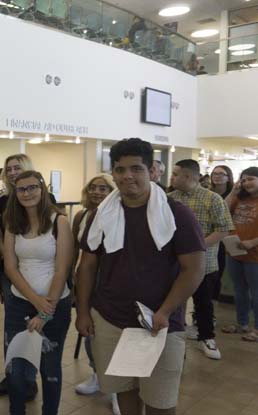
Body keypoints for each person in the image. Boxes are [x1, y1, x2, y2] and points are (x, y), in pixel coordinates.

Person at [76, 138, 205, 415]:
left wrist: (165, 311)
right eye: (120, 170)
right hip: (110, 320)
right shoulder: (102, 214)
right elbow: (87, 266)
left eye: (136, 169)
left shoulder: (176, 215)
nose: (127, 176)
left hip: (159, 325)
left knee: (160, 403)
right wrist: (83, 312)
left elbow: (194, 269)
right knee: (125, 395)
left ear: (152, 171)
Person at [3, 170, 73, 415]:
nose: (27, 193)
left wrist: (46, 311)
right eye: (22, 189)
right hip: (20, 303)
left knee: (50, 368)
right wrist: (36, 301)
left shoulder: (59, 221)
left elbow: (62, 269)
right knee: (16, 365)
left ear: (42, 189)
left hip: (56, 303)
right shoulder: (12, 222)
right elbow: (10, 267)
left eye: (33, 187)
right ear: (16, 193)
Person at [169, 159, 233, 360]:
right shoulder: (168, 198)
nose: (171, 178)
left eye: (175, 174)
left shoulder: (212, 199)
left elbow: (223, 229)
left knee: (203, 303)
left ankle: (207, 337)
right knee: (173, 302)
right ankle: (174, 340)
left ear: (187, 176)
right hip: (173, 264)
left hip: (204, 264)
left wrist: (196, 248)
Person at [71, 174, 120, 415]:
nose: (97, 192)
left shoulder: (118, 215)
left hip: (112, 282)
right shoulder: (81, 216)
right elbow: (73, 250)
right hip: (86, 279)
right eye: (93, 188)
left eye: (103, 188)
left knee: (112, 332)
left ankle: (117, 387)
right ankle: (97, 374)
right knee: (89, 329)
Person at [0, 154, 38, 399]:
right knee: (11, 327)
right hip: (11, 273)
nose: (11, 172)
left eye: (16, 168)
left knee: (32, 327)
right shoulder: (2, 202)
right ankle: (12, 375)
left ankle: (29, 378)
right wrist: (9, 260)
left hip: (38, 274)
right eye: (8, 168)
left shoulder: (45, 198)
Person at [222, 167, 258, 341]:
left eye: (251, 179)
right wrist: (234, 191)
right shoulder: (239, 197)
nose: (246, 183)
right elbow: (223, 209)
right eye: (243, 180)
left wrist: (253, 242)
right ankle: (241, 324)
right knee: (240, 290)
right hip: (235, 251)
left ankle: (257, 329)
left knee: (256, 292)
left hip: (255, 255)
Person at [210, 165, 234, 302]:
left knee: (220, 269)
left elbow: (223, 207)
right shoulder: (207, 193)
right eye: (215, 173)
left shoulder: (233, 194)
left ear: (228, 177)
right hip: (211, 237)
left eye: (221, 174)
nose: (217, 176)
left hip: (226, 238)